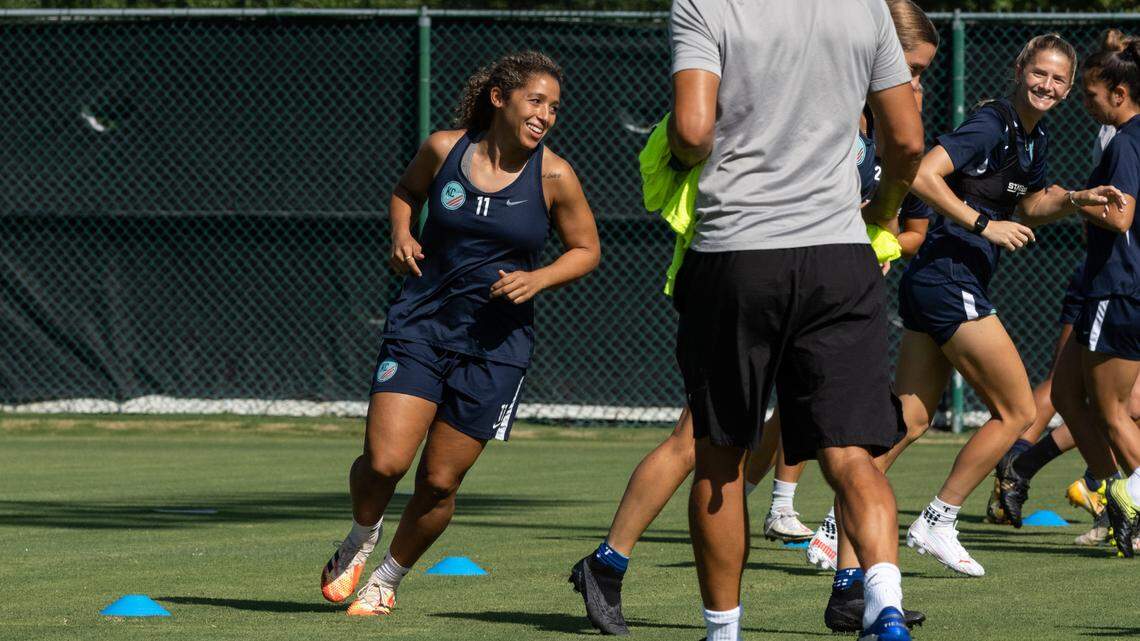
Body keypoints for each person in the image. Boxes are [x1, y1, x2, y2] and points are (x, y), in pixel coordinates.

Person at [668, 0, 925, 638]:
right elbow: (907, 139)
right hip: (841, 257)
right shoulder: (867, 10)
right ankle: (884, 603)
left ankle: (723, 633)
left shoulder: (704, 4)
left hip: (737, 254)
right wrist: (886, 208)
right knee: (853, 455)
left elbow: (694, 132)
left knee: (721, 456)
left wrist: (674, 156)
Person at [319, 51, 601, 615]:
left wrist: (537, 279)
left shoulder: (554, 175)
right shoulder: (445, 148)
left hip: (495, 350)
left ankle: (388, 579)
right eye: (535, 101)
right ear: (500, 97)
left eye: (554, 107)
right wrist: (401, 233)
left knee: (440, 481)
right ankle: (360, 535)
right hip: (422, 326)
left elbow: (587, 250)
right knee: (383, 462)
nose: (546, 115)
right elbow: (406, 193)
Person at [893, 33, 1125, 578]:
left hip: (941, 279)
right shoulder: (991, 123)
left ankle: (838, 526)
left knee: (912, 416)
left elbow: (1031, 203)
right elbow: (924, 174)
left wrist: (1074, 200)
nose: (1047, 85)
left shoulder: (1034, 135)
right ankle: (938, 519)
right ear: (1020, 70)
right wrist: (983, 224)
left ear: (1069, 89)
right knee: (1019, 412)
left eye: (1059, 79)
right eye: (1039, 74)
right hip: (948, 276)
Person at [1052, 39, 1140, 558]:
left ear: (1120, 93)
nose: (1084, 103)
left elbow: (1122, 214)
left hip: (1119, 286)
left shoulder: (1126, 143)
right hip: (1112, 287)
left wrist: (1071, 200)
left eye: (1089, 95)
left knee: (1111, 412)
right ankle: (1117, 502)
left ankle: (1128, 500)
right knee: (1066, 395)